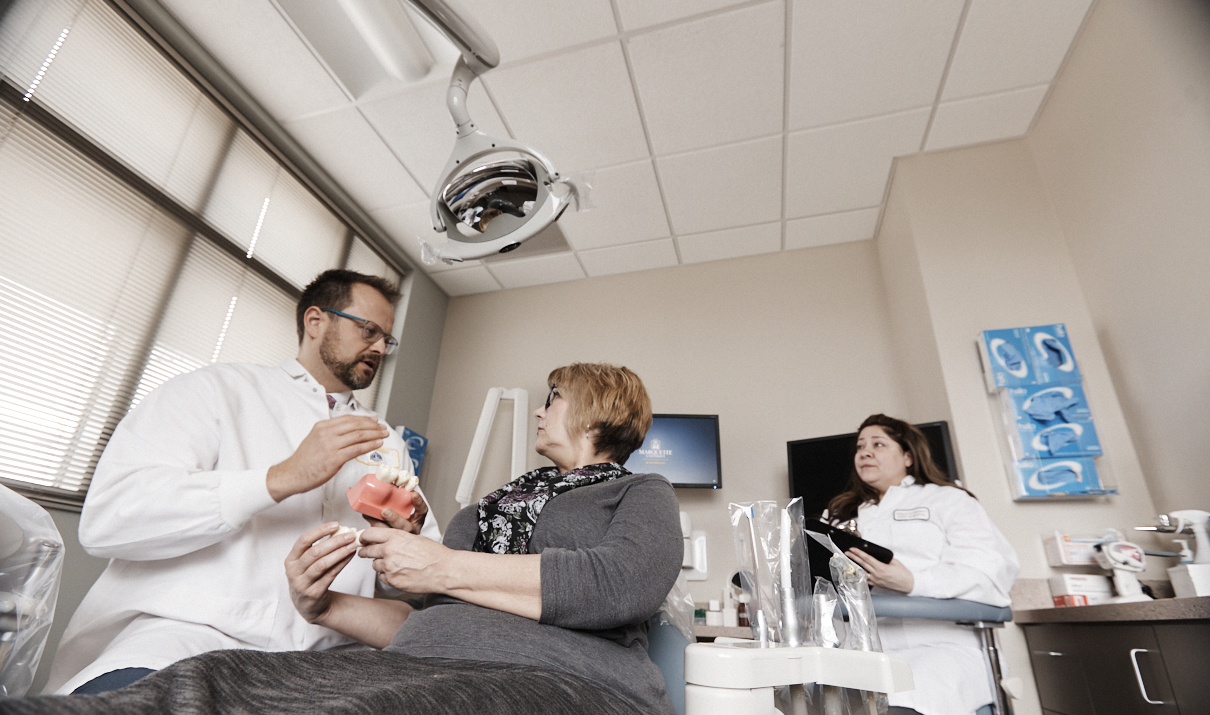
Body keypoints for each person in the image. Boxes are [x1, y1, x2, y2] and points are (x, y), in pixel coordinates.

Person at [9, 363, 682, 715]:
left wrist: (441, 564)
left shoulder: (637, 493)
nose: (540, 407)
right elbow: (425, 621)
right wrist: (324, 605)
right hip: (413, 663)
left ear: (598, 406)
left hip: (565, 682)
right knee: (210, 683)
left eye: (555, 395)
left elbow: (617, 584)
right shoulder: (486, 509)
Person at [45, 269, 440, 696]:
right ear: (315, 321)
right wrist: (279, 478)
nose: (380, 347)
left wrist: (404, 541)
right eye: (368, 330)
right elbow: (108, 520)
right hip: (189, 639)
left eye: (387, 339)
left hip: (335, 657)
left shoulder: (387, 441)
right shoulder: (217, 391)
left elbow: (427, 582)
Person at [827, 414, 1019, 715]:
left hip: (940, 646)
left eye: (878, 444)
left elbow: (988, 570)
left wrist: (913, 582)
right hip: (859, 646)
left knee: (904, 699)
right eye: (860, 446)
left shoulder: (950, 501)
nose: (864, 452)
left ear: (908, 456)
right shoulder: (839, 516)